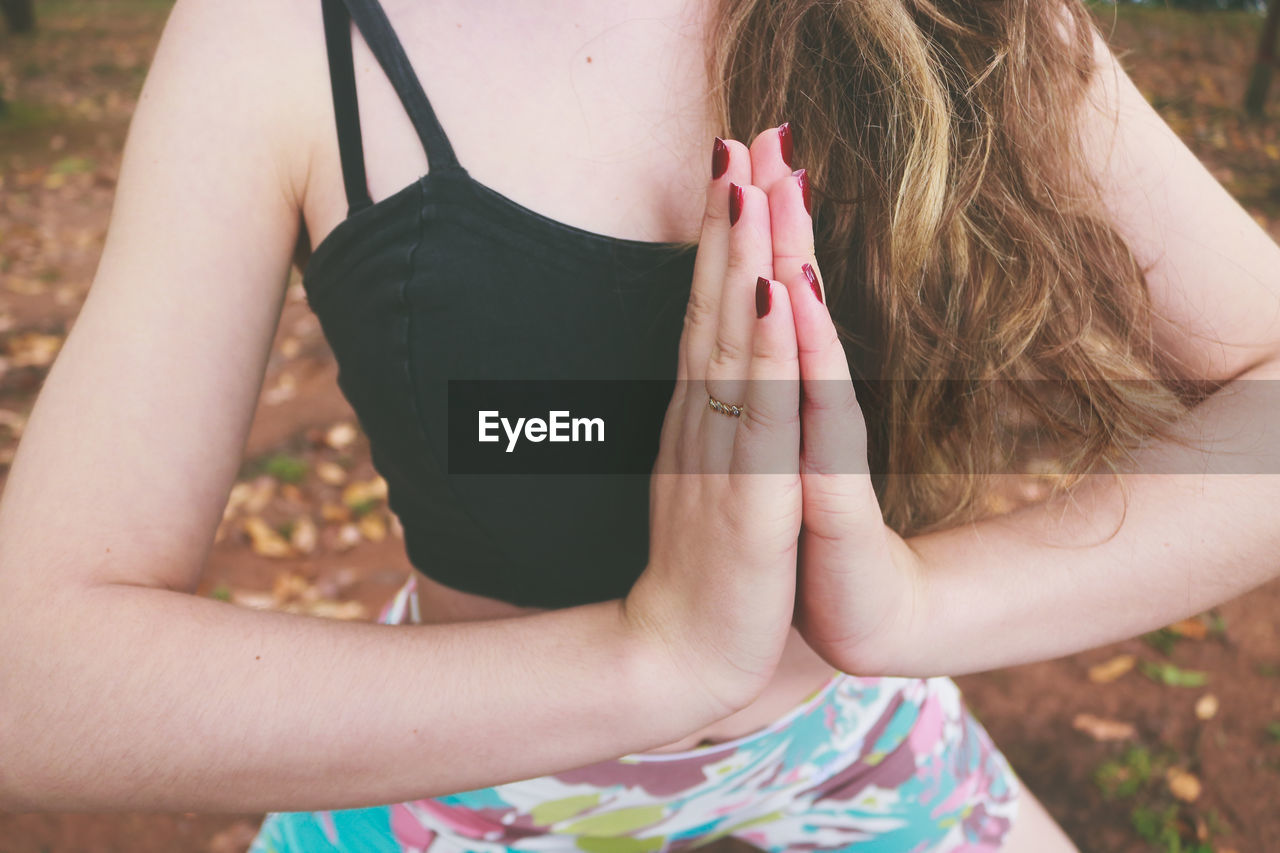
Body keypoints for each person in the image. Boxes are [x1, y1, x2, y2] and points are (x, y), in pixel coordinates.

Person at [1, 0, 1277, 850]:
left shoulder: (971, 15)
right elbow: (36, 682)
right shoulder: (277, 33)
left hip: (858, 751)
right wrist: (650, 656)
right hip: (445, 787)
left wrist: (904, 611)